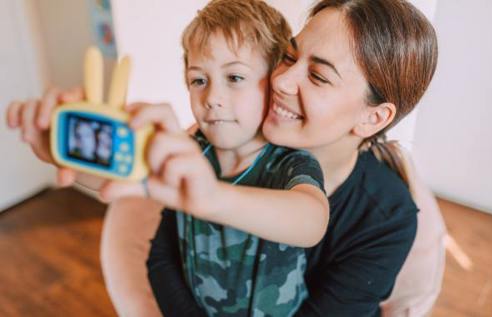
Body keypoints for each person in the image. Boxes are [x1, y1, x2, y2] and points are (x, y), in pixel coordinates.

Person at [5, 0, 445, 316]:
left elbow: (310, 221)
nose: (283, 78)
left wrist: (211, 198)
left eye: (316, 75)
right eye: (288, 56)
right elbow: (161, 256)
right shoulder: (219, 145)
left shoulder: (386, 214)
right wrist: (64, 139)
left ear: (373, 117)